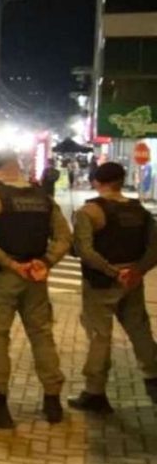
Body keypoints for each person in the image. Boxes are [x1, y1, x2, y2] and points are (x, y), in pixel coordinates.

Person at [0, 151, 72, 428]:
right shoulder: (43, 198)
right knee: (42, 335)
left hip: (2, 278)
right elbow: (64, 238)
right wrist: (45, 262)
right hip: (36, 277)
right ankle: (52, 401)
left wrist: (11, 264)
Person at [69, 162, 157, 413]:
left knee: (99, 336)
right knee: (140, 329)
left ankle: (95, 392)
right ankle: (153, 377)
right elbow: (154, 246)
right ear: (122, 180)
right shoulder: (139, 210)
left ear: (96, 181)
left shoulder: (90, 211)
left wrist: (113, 272)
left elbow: (84, 250)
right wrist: (137, 271)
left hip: (102, 282)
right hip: (132, 281)